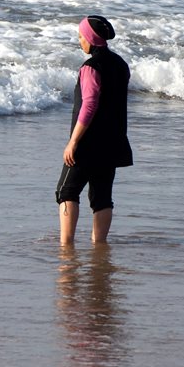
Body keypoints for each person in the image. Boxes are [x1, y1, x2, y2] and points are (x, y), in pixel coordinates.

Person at [56, 15, 133, 245]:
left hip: (89, 143)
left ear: (90, 38)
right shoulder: (121, 64)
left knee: (66, 191)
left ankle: (66, 246)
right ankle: (99, 246)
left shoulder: (90, 67)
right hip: (113, 141)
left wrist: (73, 141)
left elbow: (89, 105)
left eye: (81, 36)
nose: (79, 40)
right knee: (102, 198)